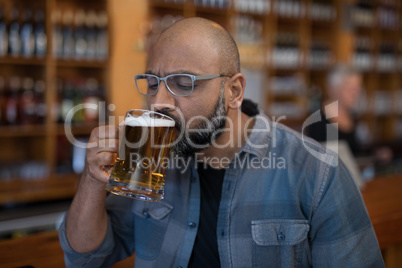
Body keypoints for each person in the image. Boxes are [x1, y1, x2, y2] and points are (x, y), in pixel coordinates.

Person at [59, 18, 385, 267]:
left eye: (182, 83)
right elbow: (87, 257)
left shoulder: (316, 173)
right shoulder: (151, 158)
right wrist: (91, 181)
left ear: (234, 91)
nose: (158, 102)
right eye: (152, 82)